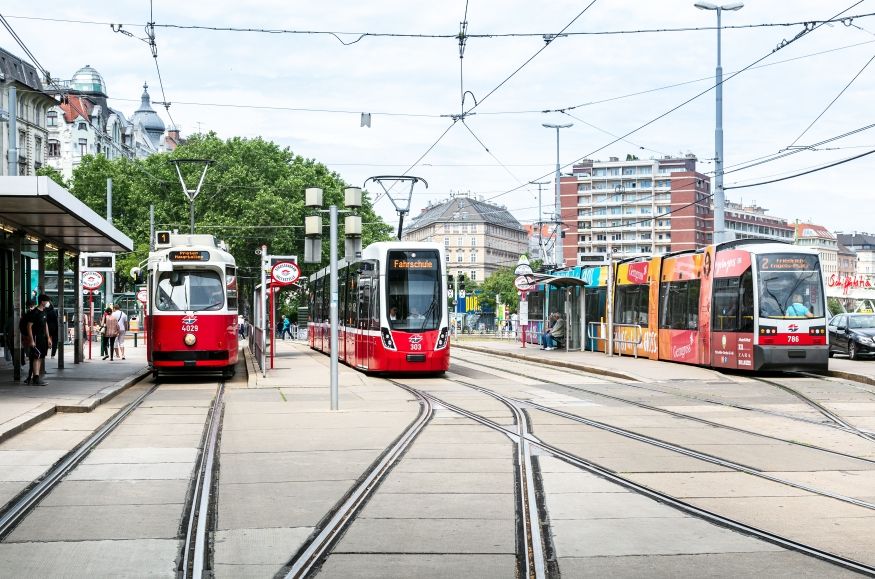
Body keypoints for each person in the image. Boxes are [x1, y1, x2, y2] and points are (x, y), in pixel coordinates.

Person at [26, 295, 52, 386]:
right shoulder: (34, 312)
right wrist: (31, 340)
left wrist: (48, 338)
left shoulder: (44, 311)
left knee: (41, 357)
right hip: (36, 337)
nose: (48, 303)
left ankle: (36, 377)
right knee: (36, 357)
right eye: (47, 301)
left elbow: (45, 325)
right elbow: (29, 326)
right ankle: (35, 379)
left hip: (42, 338)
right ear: (42, 302)